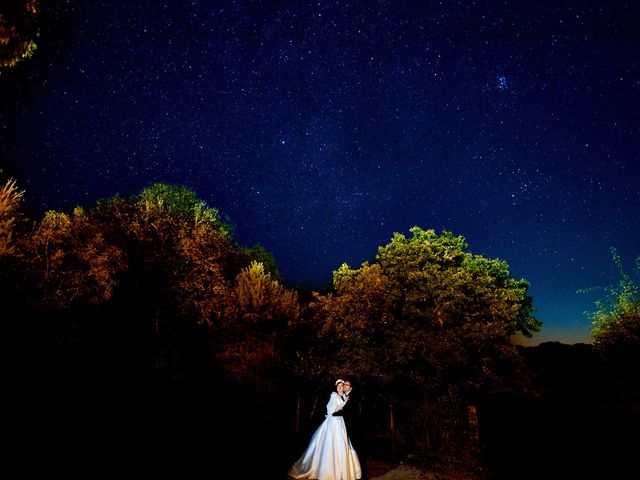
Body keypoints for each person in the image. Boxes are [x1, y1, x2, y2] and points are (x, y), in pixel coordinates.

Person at [288, 379, 362, 480]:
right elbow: (332, 411)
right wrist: (343, 404)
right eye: (339, 386)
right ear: (336, 388)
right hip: (334, 424)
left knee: (342, 445)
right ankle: (328, 471)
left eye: (342, 385)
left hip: (341, 423)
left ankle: (343, 470)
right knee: (331, 445)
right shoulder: (334, 396)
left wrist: (344, 403)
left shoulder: (344, 396)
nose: (341, 387)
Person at [332, 379, 367, 479]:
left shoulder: (352, 397)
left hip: (354, 428)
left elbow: (348, 412)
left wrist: (334, 414)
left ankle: (363, 473)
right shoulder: (344, 396)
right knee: (351, 450)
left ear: (350, 387)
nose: (343, 386)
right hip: (346, 427)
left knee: (358, 449)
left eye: (346, 385)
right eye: (343, 385)